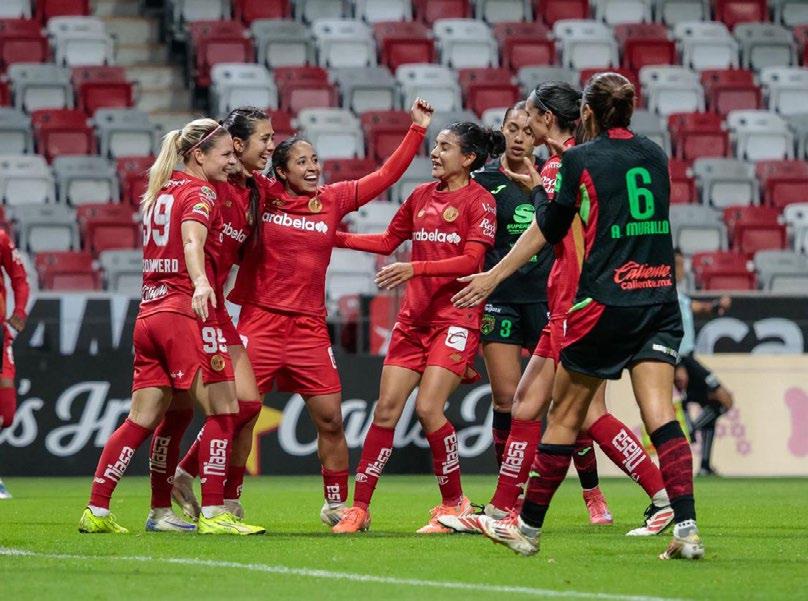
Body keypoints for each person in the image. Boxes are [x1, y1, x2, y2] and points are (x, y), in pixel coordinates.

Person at [454, 73, 703, 560]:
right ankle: (685, 525)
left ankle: (521, 523)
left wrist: (497, 270)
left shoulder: (574, 162)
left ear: (575, 113)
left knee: (562, 415)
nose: (523, 123)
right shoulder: (654, 154)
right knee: (656, 414)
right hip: (658, 298)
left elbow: (549, 229)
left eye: (529, 114)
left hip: (594, 303)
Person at [227, 99, 434, 526]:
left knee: (331, 419)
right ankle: (227, 500)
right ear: (281, 171)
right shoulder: (263, 193)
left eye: (315, 160)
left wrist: (416, 130)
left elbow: (384, 177)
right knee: (242, 415)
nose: (312, 168)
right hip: (260, 321)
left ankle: (336, 503)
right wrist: (241, 137)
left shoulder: (332, 200)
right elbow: (234, 165)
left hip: (309, 328)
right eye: (301, 162)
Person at [79, 118, 264, 535]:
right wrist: (201, 282)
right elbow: (192, 240)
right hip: (184, 312)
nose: (232, 162)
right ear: (198, 154)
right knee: (224, 409)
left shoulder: (161, 190)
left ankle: (105, 509)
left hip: (149, 314)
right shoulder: (201, 192)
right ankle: (214, 513)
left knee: (150, 418)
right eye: (225, 155)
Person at [330, 121, 501, 535]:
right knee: (385, 410)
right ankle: (359, 508)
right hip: (413, 321)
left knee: (428, 408)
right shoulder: (420, 195)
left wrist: (415, 268)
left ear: (469, 158)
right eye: (435, 145)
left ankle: (454, 504)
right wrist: (331, 237)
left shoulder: (480, 202)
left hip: (456, 318)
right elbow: (388, 241)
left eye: (445, 147)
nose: (435, 153)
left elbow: (470, 262)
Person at [472, 97, 615, 526]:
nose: (519, 137)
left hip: (551, 300)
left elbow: (553, 232)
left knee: (572, 407)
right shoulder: (484, 182)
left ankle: (593, 493)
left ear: (540, 128)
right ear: (502, 131)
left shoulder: (557, 171)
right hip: (502, 300)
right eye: (511, 129)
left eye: (525, 127)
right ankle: (508, 498)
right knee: (509, 401)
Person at [147, 108, 275, 525]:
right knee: (182, 410)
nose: (270, 147)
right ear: (236, 145)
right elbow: (189, 241)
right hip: (191, 307)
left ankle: (186, 476)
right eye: (264, 139)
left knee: (247, 404)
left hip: (215, 308)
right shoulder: (208, 187)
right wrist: (198, 282)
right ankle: (176, 503)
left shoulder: (254, 191)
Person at [674, 248, 734, 476]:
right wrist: (677, 365)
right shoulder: (665, 296)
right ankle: (688, 430)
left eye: (683, 264)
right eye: (678, 264)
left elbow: (700, 307)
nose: (682, 270)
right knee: (725, 399)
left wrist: (718, 306)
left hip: (689, 358)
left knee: (715, 405)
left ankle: (706, 466)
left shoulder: (680, 296)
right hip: (683, 360)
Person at [0, 228, 30, 500]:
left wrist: (19, 310)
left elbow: (19, 278)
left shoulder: (1, 238)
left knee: (7, 413)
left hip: (0, 335)